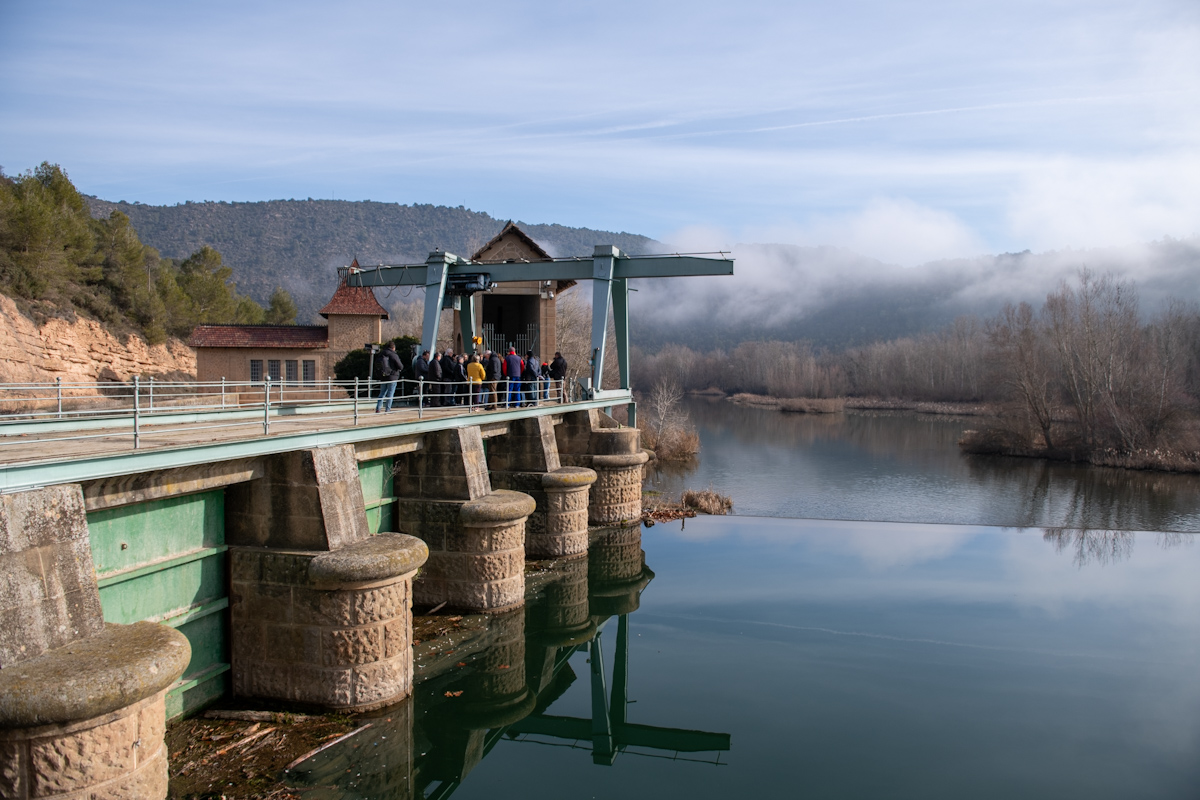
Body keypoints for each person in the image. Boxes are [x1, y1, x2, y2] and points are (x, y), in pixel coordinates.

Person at [375, 341, 403, 413]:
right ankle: (387, 409)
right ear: (393, 348)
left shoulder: (381, 354)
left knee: (382, 393)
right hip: (392, 377)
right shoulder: (393, 354)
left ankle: (378, 408)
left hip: (383, 376)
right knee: (390, 393)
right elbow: (400, 366)